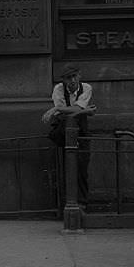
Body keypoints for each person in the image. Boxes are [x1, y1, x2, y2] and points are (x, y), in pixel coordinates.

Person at [48, 64, 96, 204]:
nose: (72, 80)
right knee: (64, 169)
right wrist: (86, 111)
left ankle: (81, 203)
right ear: (64, 80)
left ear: (79, 75)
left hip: (82, 133)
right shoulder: (58, 89)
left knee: (81, 169)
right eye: (68, 78)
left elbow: (73, 108)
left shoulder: (86, 88)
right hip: (63, 133)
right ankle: (65, 204)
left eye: (74, 76)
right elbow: (67, 113)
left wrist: (57, 109)